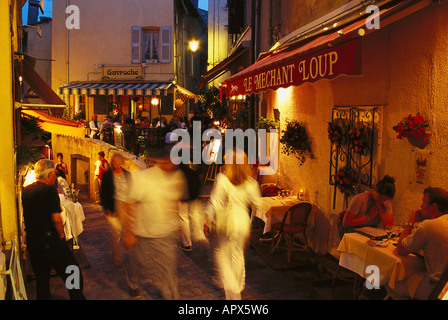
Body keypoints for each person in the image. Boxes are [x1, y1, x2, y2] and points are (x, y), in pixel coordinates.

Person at [125, 146, 187, 299]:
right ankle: (133, 283)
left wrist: (177, 226)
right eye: (172, 161)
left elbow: (175, 201)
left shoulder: (178, 176)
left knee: (169, 270)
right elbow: (130, 203)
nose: (174, 164)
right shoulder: (145, 177)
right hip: (143, 232)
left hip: (166, 233)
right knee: (134, 262)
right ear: (165, 160)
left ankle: (171, 297)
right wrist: (129, 232)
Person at [21, 159, 85, 300]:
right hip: (50, 240)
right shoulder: (49, 190)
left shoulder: (26, 191)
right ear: (49, 175)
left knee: (42, 279)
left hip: (33, 241)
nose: (55, 177)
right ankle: (76, 297)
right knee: (71, 270)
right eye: (54, 174)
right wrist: (61, 237)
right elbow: (56, 218)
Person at [207, 148, 262, 300]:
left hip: (227, 222)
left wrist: (208, 217)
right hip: (243, 222)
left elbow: (216, 203)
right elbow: (257, 203)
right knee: (238, 255)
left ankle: (233, 292)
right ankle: (238, 285)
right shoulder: (251, 182)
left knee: (223, 257)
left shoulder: (223, 180)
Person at [386, 187, 448, 300]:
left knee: (391, 282)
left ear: (434, 206)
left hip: (436, 288)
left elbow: (401, 249)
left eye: (423, 202)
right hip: (445, 287)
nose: (421, 206)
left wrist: (411, 222)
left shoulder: (429, 226)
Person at [100, 153, 134, 266]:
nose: (118, 166)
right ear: (112, 163)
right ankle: (117, 254)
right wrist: (106, 208)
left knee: (128, 230)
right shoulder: (107, 176)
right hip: (113, 207)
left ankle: (129, 252)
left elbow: (132, 190)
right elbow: (103, 194)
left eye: (119, 163)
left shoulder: (127, 175)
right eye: (115, 163)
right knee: (116, 232)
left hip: (126, 206)